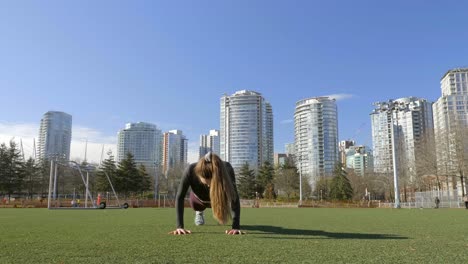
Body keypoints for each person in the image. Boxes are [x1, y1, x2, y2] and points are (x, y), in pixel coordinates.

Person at [169, 152, 243, 235]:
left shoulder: (227, 169)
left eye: (211, 183)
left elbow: (234, 198)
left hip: (219, 199)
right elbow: (180, 197)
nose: (208, 186)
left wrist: (236, 227)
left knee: (222, 217)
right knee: (196, 206)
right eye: (205, 183)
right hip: (198, 200)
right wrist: (179, 227)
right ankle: (199, 212)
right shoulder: (190, 170)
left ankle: (218, 212)